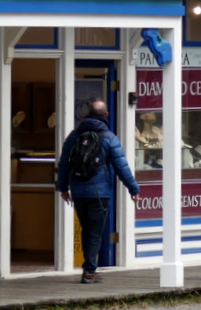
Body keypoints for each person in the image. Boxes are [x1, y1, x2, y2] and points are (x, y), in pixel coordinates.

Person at [56, 98, 140, 284]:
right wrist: (133, 188)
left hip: (78, 191)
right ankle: (89, 271)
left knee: (87, 229)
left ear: (87, 114)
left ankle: (89, 267)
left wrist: (62, 187)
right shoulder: (109, 137)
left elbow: (64, 164)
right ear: (106, 115)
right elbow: (121, 166)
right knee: (95, 231)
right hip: (99, 193)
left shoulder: (74, 136)